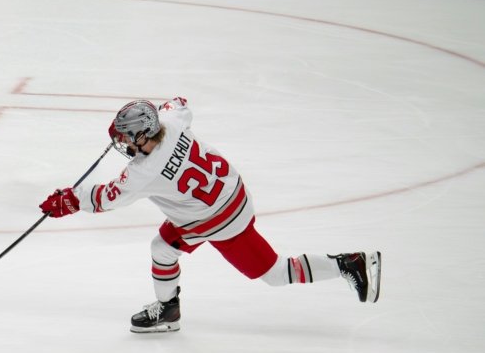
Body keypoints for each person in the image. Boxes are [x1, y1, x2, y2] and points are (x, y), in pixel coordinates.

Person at [39, 97, 381, 333]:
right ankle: (168, 310)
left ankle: (348, 263)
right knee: (163, 247)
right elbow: (179, 102)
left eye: (128, 138)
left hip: (216, 220)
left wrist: (69, 200)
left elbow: (105, 198)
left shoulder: (143, 171)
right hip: (232, 194)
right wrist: (161, 109)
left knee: (274, 273)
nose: (124, 145)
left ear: (143, 134)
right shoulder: (172, 122)